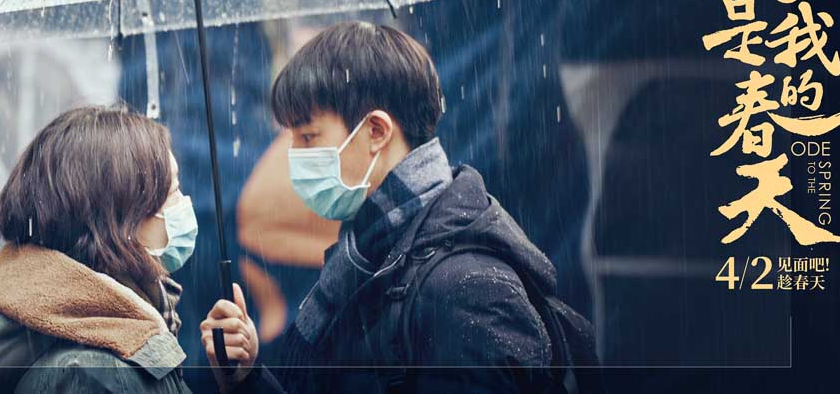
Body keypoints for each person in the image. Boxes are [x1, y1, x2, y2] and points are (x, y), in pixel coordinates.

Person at [202, 21, 598, 393]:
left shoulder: (466, 291)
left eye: (308, 137)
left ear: (376, 131)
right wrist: (248, 377)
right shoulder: (369, 256)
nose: (294, 157)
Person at [0, 105, 279, 394]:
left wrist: (242, 380)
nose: (184, 204)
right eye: (173, 192)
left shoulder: (112, 336)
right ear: (121, 223)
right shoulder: (93, 375)